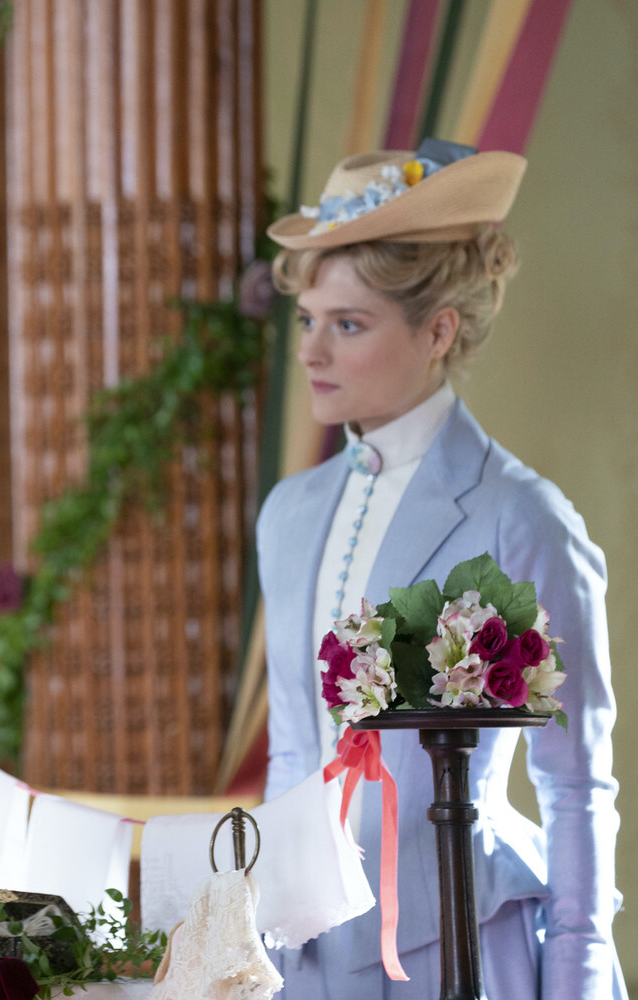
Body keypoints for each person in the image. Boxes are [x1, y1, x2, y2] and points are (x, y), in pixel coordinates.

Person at [257, 141, 623, 998]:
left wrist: (576, 985)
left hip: (463, 943)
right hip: (310, 960)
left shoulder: (523, 519)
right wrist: (266, 953)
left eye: (349, 325)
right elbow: (291, 752)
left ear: (438, 331)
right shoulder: (288, 514)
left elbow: (575, 786)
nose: (312, 352)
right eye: (307, 320)